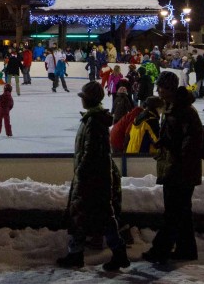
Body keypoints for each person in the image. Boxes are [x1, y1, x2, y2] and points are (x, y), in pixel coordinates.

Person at [56, 82, 128, 272]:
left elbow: (91, 153)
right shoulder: (93, 119)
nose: (81, 100)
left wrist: (81, 173)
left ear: (89, 99)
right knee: (96, 217)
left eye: (83, 97)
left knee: (85, 215)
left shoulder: (94, 122)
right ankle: (82, 253)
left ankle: (80, 254)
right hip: (96, 176)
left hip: (92, 178)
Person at [141, 71, 202, 264]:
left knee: (173, 212)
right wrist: (162, 142)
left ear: (169, 88)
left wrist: (178, 163)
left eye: (160, 87)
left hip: (180, 170)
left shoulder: (182, 111)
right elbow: (175, 137)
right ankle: (187, 249)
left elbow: (190, 142)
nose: (158, 90)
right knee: (182, 212)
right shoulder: (172, 108)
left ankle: (160, 249)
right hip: (176, 167)